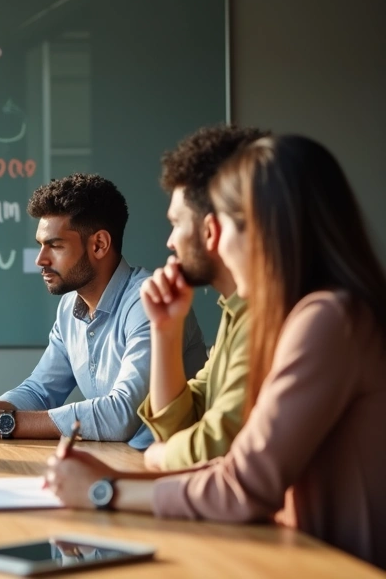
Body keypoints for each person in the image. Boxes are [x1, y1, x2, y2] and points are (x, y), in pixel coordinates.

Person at [45, 135, 386, 570]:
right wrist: (166, 333)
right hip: (281, 554)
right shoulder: (272, 316)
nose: (211, 236)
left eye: (221, 222)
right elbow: (191, 435)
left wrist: (105, 489)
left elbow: (242, 481)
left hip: (324, 564)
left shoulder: (327, 320)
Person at [0, 173, 207, 448]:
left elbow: (122, 415)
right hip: (119, 462)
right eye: (40, 245)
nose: (40, 260)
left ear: (99, 245)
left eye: (55, 245)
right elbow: (40, 391)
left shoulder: (149, 301)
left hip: (171, 470)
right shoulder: (70, 306)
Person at [137, 125, 268, 470]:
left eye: (176, 223)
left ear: (209, 230)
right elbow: (182, 424)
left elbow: (218, 444)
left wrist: (157, 458)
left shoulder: (269, 318)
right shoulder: (234, 312)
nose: (170, 242)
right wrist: (165, 330)